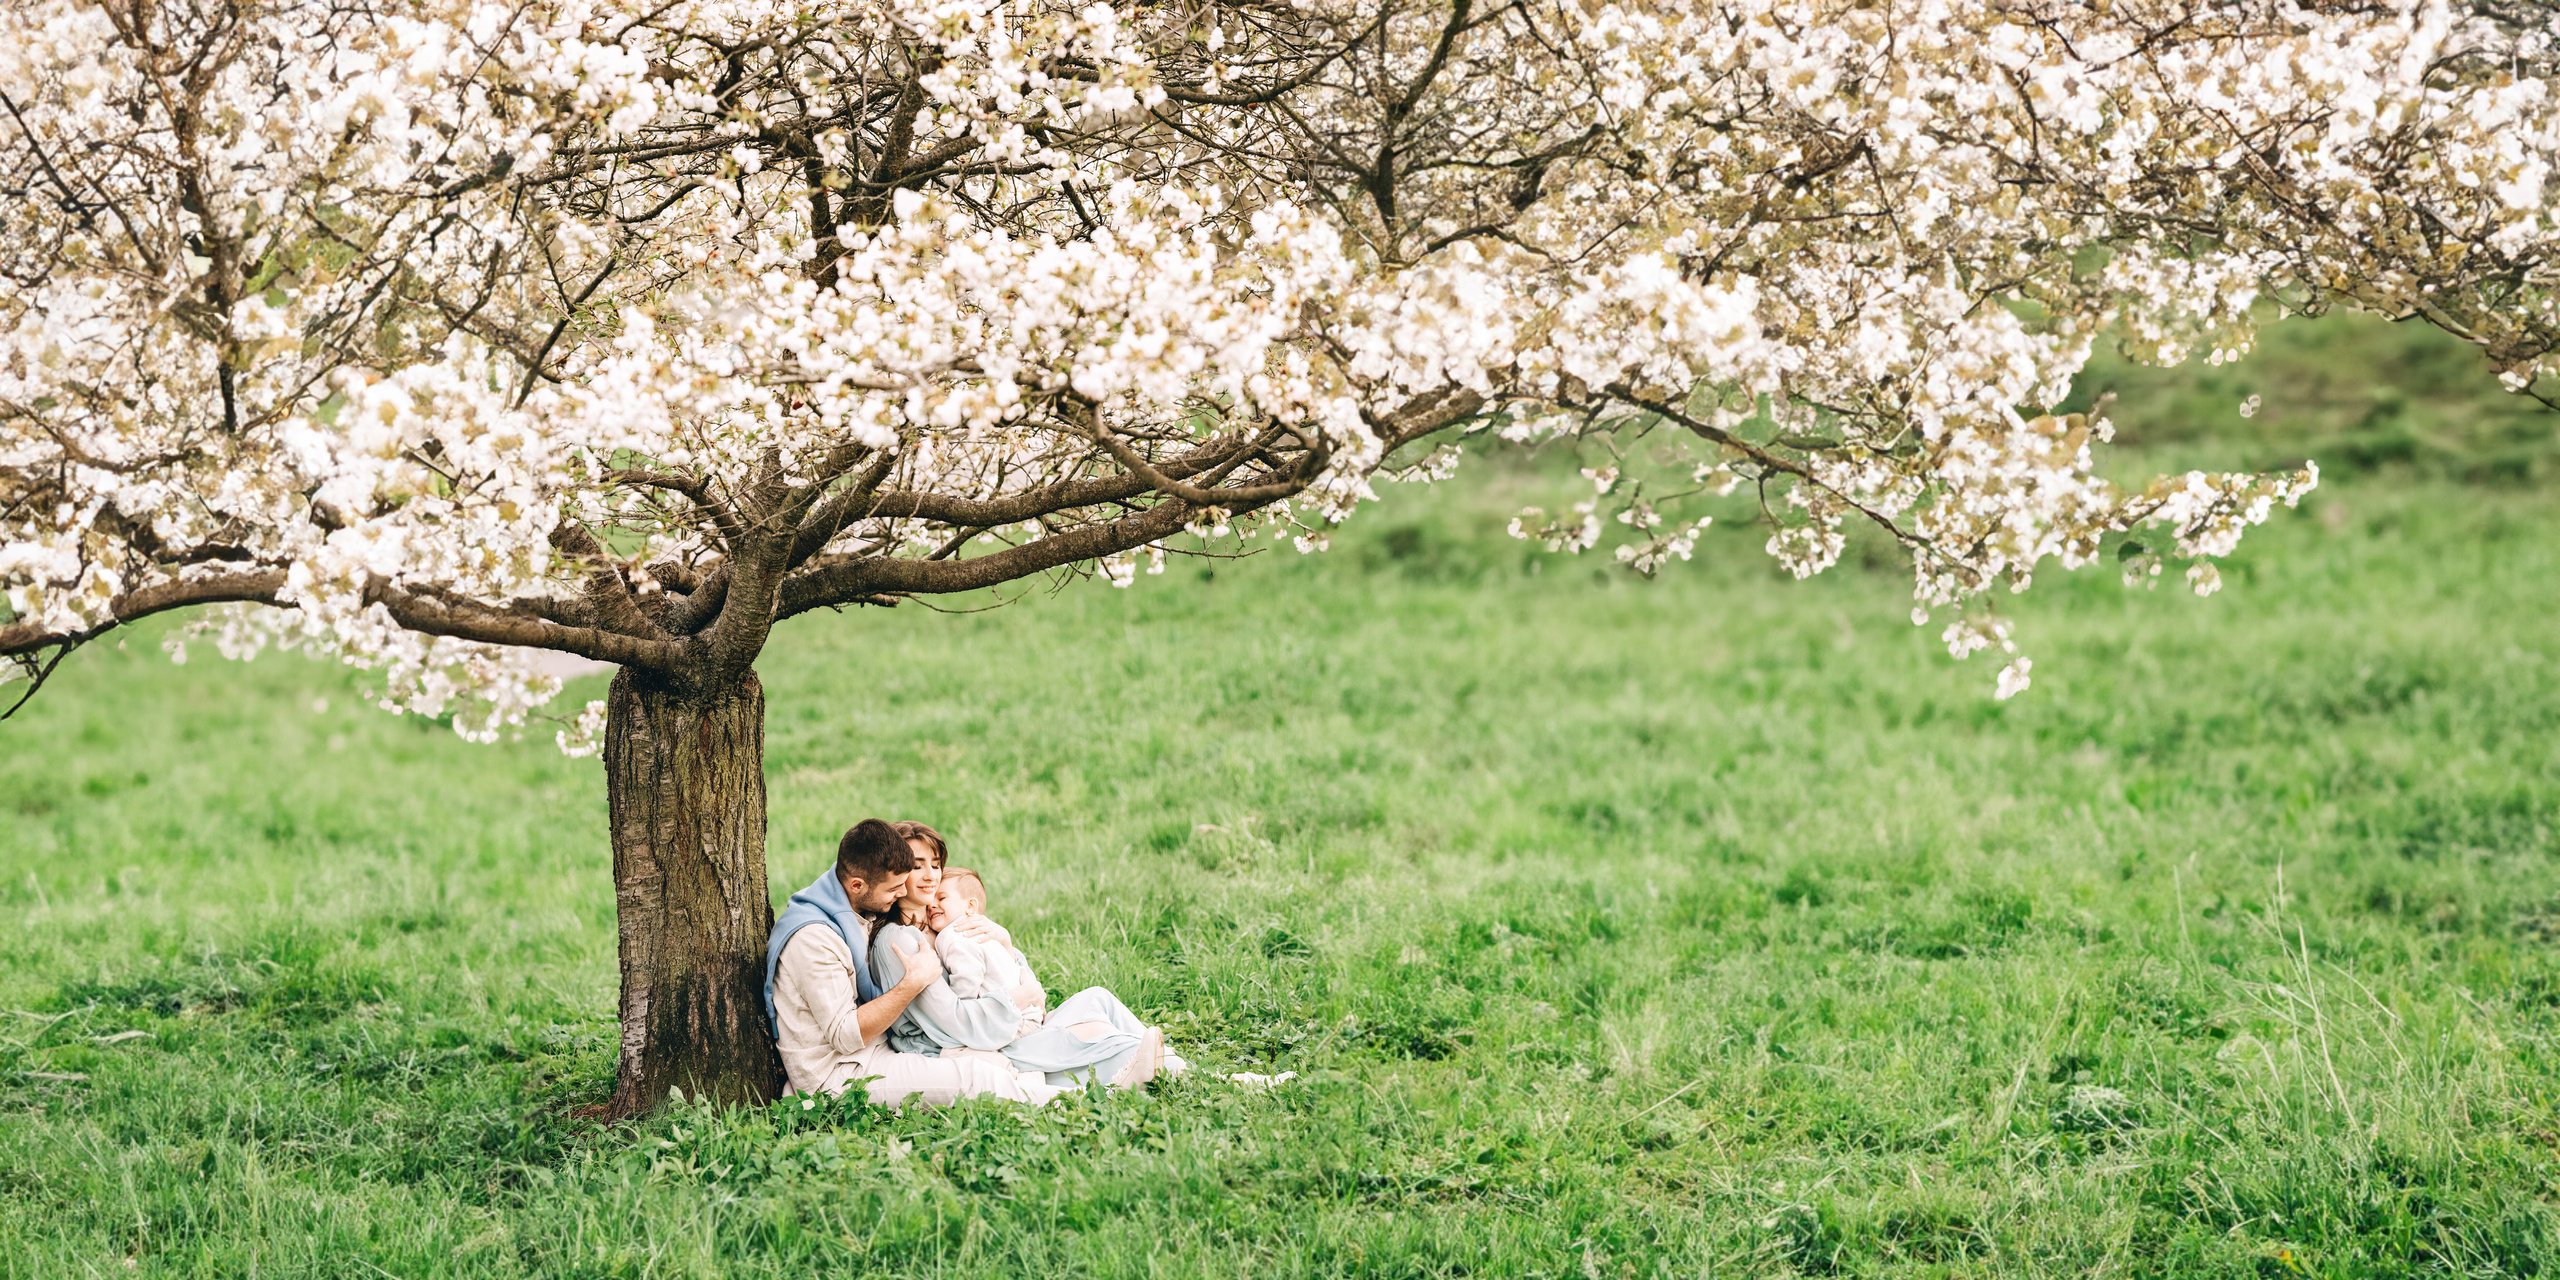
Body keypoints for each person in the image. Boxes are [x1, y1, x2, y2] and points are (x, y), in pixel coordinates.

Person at [762, 818, 1060, 1108]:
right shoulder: (814, 940)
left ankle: (1071, 1089)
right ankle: (1077, 1104)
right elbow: (844, 1035)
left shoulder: (859, 912)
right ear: (856, 885)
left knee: (997, 1064)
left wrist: (1004, 946)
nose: (904, 892)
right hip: (840, 1075)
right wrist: (912, 983)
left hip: (875, 1051)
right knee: (973, 1077)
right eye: (894, 889)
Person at [871, 823, 1174, 1089]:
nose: (931, 877)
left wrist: (1005, 942)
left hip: (1000, 1022)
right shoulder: (902, 938)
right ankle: (1149, 1067)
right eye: (917, 866)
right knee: (1094, 1034)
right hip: (969, 1044)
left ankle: (1174, 1066)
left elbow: (1002, 964)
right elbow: (955, 1023)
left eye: (935, 865)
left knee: (1098, 998)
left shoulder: (939, 919)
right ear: (895, 873)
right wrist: (1022, 996)